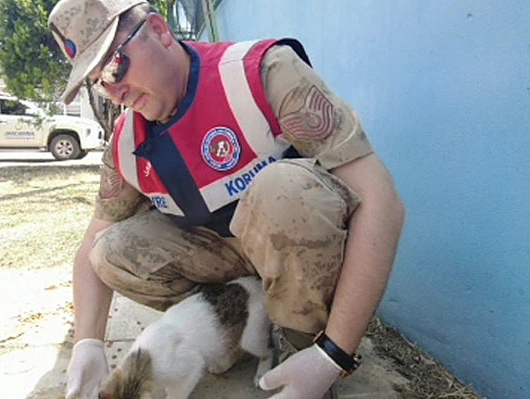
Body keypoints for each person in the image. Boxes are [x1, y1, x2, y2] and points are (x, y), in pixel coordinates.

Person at [48, 0, 405, 398]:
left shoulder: (262, 74)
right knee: (109, 250)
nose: (114, 93)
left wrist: (334, 354)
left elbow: (381, 201)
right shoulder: (127, 143)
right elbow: (90, 246)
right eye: (99, 82)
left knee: (283, 191)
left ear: (160, 31)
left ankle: (303, 341)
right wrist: (88, 343)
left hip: (299, 250)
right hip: (228, 256)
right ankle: (234, 328)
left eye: (114, 66)